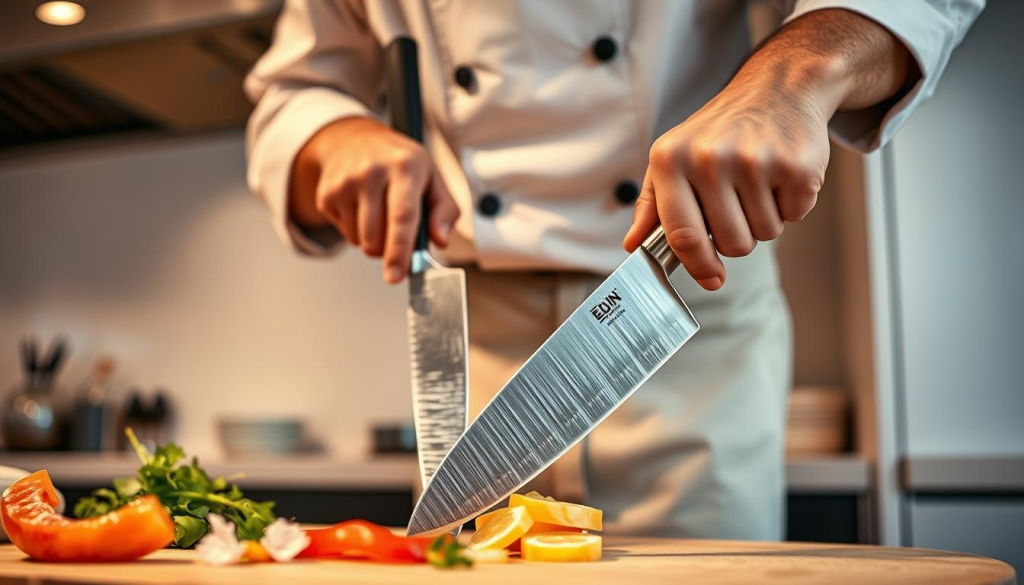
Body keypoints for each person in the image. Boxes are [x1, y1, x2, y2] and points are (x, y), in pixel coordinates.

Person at [245, 0, 982, 539]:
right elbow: (295, 88)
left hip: (691, 299)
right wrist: (333, 138)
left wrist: (791, 77)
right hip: (481, 344)